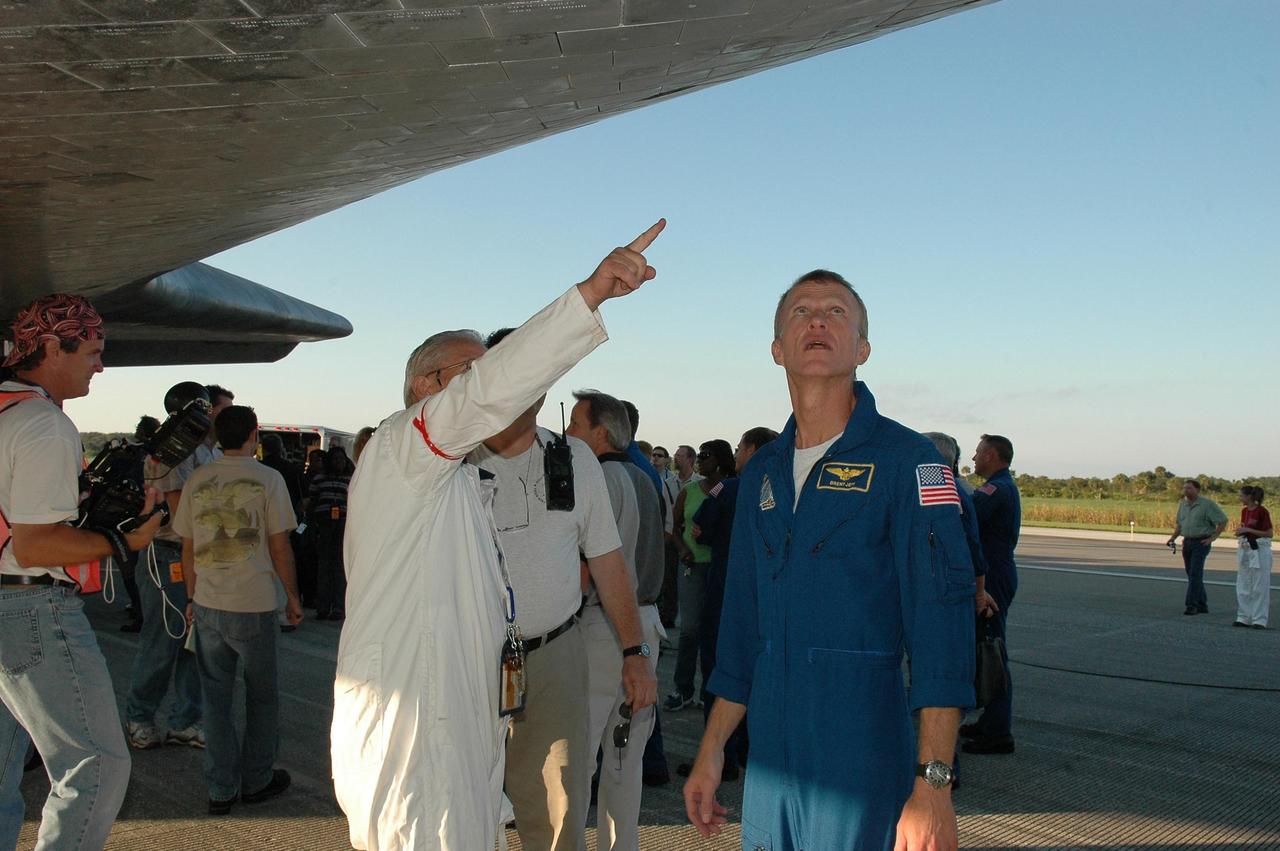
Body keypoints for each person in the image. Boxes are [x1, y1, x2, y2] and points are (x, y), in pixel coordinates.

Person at [331, 220, 665, 851]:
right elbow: (486, 398)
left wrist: (630, 649)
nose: (503, 387)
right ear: (429, 387)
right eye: (478, 372)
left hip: (463, 712)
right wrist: (590, 295)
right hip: (414, 727)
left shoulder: (456, 478)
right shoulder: (404, 449)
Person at [683, 270, 975, 851]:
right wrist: (713, 747)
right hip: (770, 764)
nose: (817, 320)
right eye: (801, 311)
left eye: (837, 311)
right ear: (776, 349)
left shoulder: (910, 461)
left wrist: (933, 786)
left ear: (863, 349)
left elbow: (942, 629)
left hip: (861, 757)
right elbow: (742, 621)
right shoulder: (761, 471)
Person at [468, 339, 655, 851]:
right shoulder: (452, 460)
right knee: (464, 800)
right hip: (469, 659)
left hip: (556, 655)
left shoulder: (574, 458)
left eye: (534, 371)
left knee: (561, 804)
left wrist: (635, 652)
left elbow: (609, 563)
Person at [0, 293, 163, 849]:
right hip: (29, 608)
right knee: (94, 765)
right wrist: (121, 539)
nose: (101, 365)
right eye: (93, 350)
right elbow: (38, 545)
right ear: (51, 347)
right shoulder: (43, 424)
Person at [174, 405, 302, 815]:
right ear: (253, 435)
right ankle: (257, 778)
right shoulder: (268, 479)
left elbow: (188, 545)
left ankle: (220, 788)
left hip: (210, 602)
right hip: (255, 602)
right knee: (262, 698)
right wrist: (293, 598)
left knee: (216, 699)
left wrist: (191, 598)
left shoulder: (198, 478)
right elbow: (279, 545)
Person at [566, 389, 665, 851]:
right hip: (646, 625)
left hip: (607, 630)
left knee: (577, 758)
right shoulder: (648, 479)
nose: (568, 435)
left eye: (576, 427)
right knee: (626, 760)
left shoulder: (601, 479)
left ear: (600, 434)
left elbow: (592, 562)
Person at [679, 429, 778, 781]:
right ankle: (754, 750)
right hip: (771, 597)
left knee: (720, 668)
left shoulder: (730, 487)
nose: (736, 454)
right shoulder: (789, 487)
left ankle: (722, 754)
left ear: (751, 450)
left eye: (739, 448)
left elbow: (700, 524)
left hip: (727, 589)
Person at [124, 411, 204, 751]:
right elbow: (184, 513)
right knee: (162, 643)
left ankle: (184, 721)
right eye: (218, 410)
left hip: (194, 555)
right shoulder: (166, 458)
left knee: (192, 645)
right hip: (167, 554)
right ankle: (139, 717)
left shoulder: (206, 453)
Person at [959, 434, 1018, 756]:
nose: (975, 456)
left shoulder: (995, 489)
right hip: (996, 573)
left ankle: (998, 732)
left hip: (992, 578)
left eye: (979, 452)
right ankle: (991, 721)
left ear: (992, 455)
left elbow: (965, 514)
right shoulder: (1001, 486)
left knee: (992, 652)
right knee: (988, 648)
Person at [665, 442, 721, 712]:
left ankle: (709, 691)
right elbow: (675, 527)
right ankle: (682, 688)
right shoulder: (688, 491)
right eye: (699, 455)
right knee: (689, 630)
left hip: (718, 569)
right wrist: (682, 549)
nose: (701, 460)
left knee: (713, 631)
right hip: (691, 567)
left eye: (706, 455)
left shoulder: (726, 490)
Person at [1166, 479, 1228, 616]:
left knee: (1195, 573)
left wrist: (1213, 538)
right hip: (1187, 541)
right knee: (1192, 574)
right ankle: (1202, 604)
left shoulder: (1207, 505)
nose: (1186, 491)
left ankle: (1191, 605)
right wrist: (1173, 538)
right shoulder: (1183, 505)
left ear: (1197, 490)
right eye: (1184, 488)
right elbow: (1180, 524)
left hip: (1201, 542)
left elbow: (1222, 520)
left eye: (1189, 488)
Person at [307, 448, 351, 621]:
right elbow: (312, 501)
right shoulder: (319, 479)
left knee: (340, 566)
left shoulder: (350, 479)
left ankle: (339, 607)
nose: (339, 462)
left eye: (341, 459)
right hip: (324, 525)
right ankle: (323, 606)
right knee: (324, 566)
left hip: (343, 525)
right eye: (335, 459)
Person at [1233, 485, 1272, 629]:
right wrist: (1241, 532)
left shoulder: (1261, 511)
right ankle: (1243, 616)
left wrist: (1248, 530)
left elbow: (1269, 533)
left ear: (1249, 496)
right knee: (1244, 583)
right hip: (1246, 547)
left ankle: (1259, 619)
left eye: (1241, 495)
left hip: (1259, 549)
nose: (1240, 498)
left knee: (1259, 585)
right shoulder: (1244, 511)